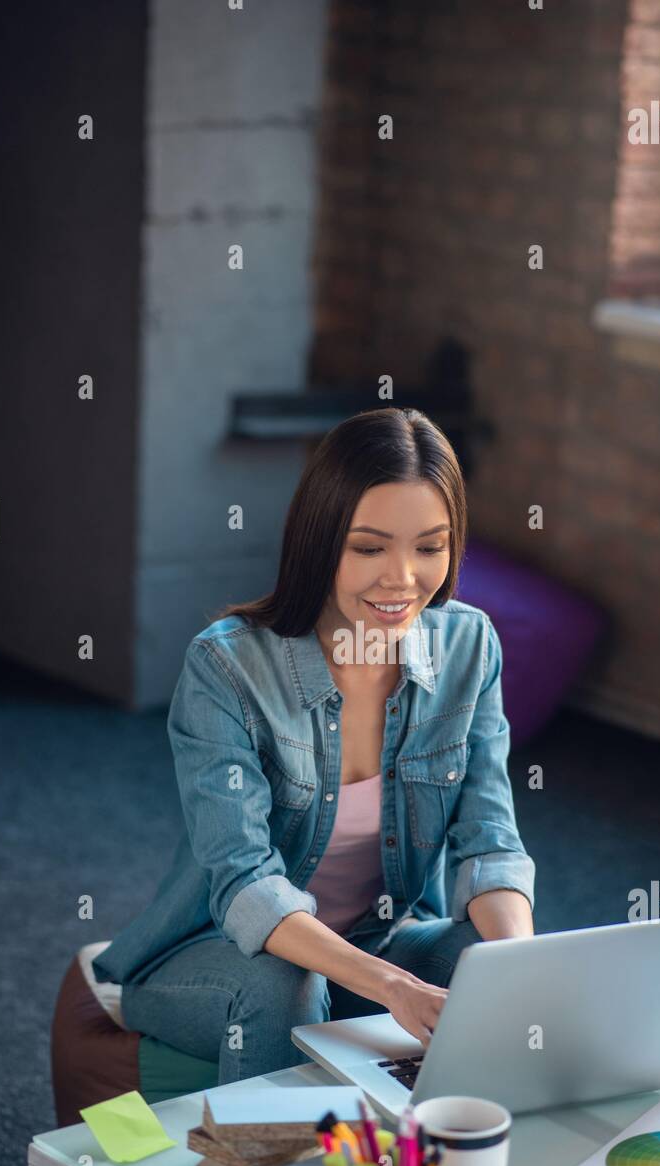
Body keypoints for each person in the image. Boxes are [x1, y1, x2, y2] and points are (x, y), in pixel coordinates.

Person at [92, 407, 535, 1081]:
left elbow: (490, 841)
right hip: (221, 954)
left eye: (429, 546)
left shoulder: (468, 645)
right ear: (320, 539)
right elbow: (246, 885)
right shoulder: (227, 669)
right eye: (368, 547)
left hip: (378, 941)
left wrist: (521, 971)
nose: (403, 579)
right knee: (286, 985)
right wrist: (392, 987)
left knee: (488, 956)